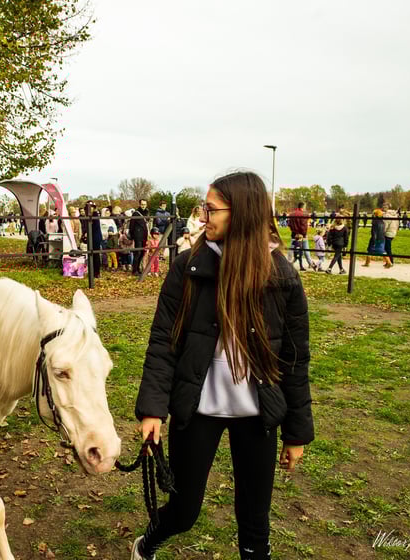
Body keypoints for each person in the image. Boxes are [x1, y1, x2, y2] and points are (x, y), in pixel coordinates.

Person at [131, 171, 313, 560]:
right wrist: (152, 410)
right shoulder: (188, 267)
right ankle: (146, 545)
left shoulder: (282, 276)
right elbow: (164, 340)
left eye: (211, 209)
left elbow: (295, 360)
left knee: (255, 521)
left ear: (242, 213)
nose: (203, 217)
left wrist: (296, 432)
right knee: (184, 510)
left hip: (258, 413)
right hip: (198, 407)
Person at [287, 202, 313, 270]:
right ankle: (311, 264)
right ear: (303, 206)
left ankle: (288, 262)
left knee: (292, 249)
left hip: (294, 234)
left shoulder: (292, 214)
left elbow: (289, 224)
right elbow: (303, 226)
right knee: (306, 250)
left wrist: (293, 230)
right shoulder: (304, 214)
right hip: (302, 235)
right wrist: (304, 234)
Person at [130, 199, 150, 276]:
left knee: (142, 252)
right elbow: (132, 225)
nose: (143, 206)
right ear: (139, 204)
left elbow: (147, 224)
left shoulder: (147, 213)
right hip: (137, 235)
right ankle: (134, 270)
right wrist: (132, 236)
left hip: (144, 235)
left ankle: (137, 268)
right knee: (137, 253)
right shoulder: (136, 213)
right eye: (142, 204)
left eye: (145, 204)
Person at [85, 200, 103, 279]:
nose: (90, 209)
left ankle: (97, 272)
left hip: (95, 238)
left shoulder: (95, 215)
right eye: (89, 208)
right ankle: (92, 271)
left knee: (95, 255)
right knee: (91, 255)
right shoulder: (89, 215)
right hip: (91, 237)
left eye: (91, 207)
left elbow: (94, 227)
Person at [383, 202, 399, 268]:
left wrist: (383, 232)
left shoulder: (386, 215)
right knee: (387, 248)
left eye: (384, 206)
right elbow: (397, 224)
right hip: (393, 232)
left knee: (387, 249)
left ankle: (390, 262)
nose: (383, 208)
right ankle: (389, 261)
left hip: (388, 233)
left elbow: (385, 225)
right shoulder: (395, 214)